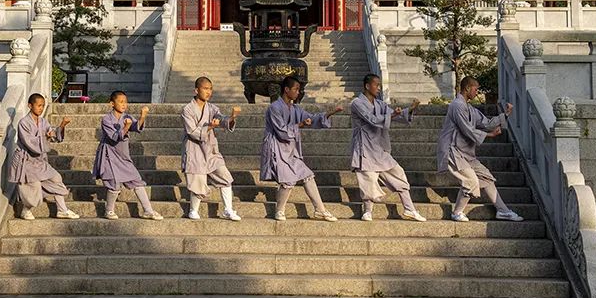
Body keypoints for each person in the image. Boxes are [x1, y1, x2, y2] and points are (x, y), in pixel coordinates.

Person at [437, 76, 523, 222]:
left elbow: (486, 122)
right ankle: (457, 212)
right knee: (471, 181)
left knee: (486, 177)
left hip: (466, 152)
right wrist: (489, 135)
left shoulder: (469, 108)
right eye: (475, 89)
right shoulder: (457, 105)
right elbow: (467, 129)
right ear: (467, 88)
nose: (477, 92)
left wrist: (505, 115)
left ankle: (503, 211)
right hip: (453, 150)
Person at [261, 76, 343, 221]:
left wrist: (328, 114)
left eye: (299, 89)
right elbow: (281, 130)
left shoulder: (296, 109)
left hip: (291, 150)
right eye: (296, 89)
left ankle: (320, 210)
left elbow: (311, 119)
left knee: (307, 175)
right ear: (286, 90)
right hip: (277, 148)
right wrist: (299, 125)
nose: (298, 92)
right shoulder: (274, 108)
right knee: (287, 181)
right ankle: (279, 211)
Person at [350, 74, 426, 222]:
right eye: (376, 85)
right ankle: (368, 211)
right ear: (367, 86)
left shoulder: (380, 105)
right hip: (364, 147)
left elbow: (393, 116)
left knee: (399, 174)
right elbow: (372, 120)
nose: (378, 88)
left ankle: (410, 209)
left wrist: (408, 110)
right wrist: (392, 115)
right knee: (369, 179)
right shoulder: (357, 103)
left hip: (379, 147)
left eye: (379, 85)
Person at [94, 90, 163, 220]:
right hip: (110, 155)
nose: (124, 104)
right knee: (114, 184)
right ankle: (109, 210)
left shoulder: (127, 117)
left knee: (137, 181)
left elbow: (137, 127)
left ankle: (148, 210)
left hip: (123, 156)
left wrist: (142, 116)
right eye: (120, 102)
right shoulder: (106, 119)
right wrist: (125, 127)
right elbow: (114, 137)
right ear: (112, 103)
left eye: (125, 102)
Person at [9, 92, 79, 220]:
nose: (41, 108)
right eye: (39, 105)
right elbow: (29, 143)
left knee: (56, 178)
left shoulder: (43, 121)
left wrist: (62, 125)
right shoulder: (23, 123)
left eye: (43, 106)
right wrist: (45, 137)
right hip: (27, 161)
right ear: (30, 105)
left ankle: (62, 210)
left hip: (40, 161)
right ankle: (26, 209)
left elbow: (52, 135)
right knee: (33, 188)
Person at [181, 77, 242, 221]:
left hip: (210, 149)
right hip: (194, 149)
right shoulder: (187, 110)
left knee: (225, 177)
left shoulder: (212, 108)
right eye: (205, 88)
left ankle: (228, 209)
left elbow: (221, 119)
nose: (208, 92)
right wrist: (209, 127)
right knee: (198, 181)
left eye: (210, 89)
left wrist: (232, 117)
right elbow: (192, 131)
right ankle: (193, 210)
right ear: (196, 90)